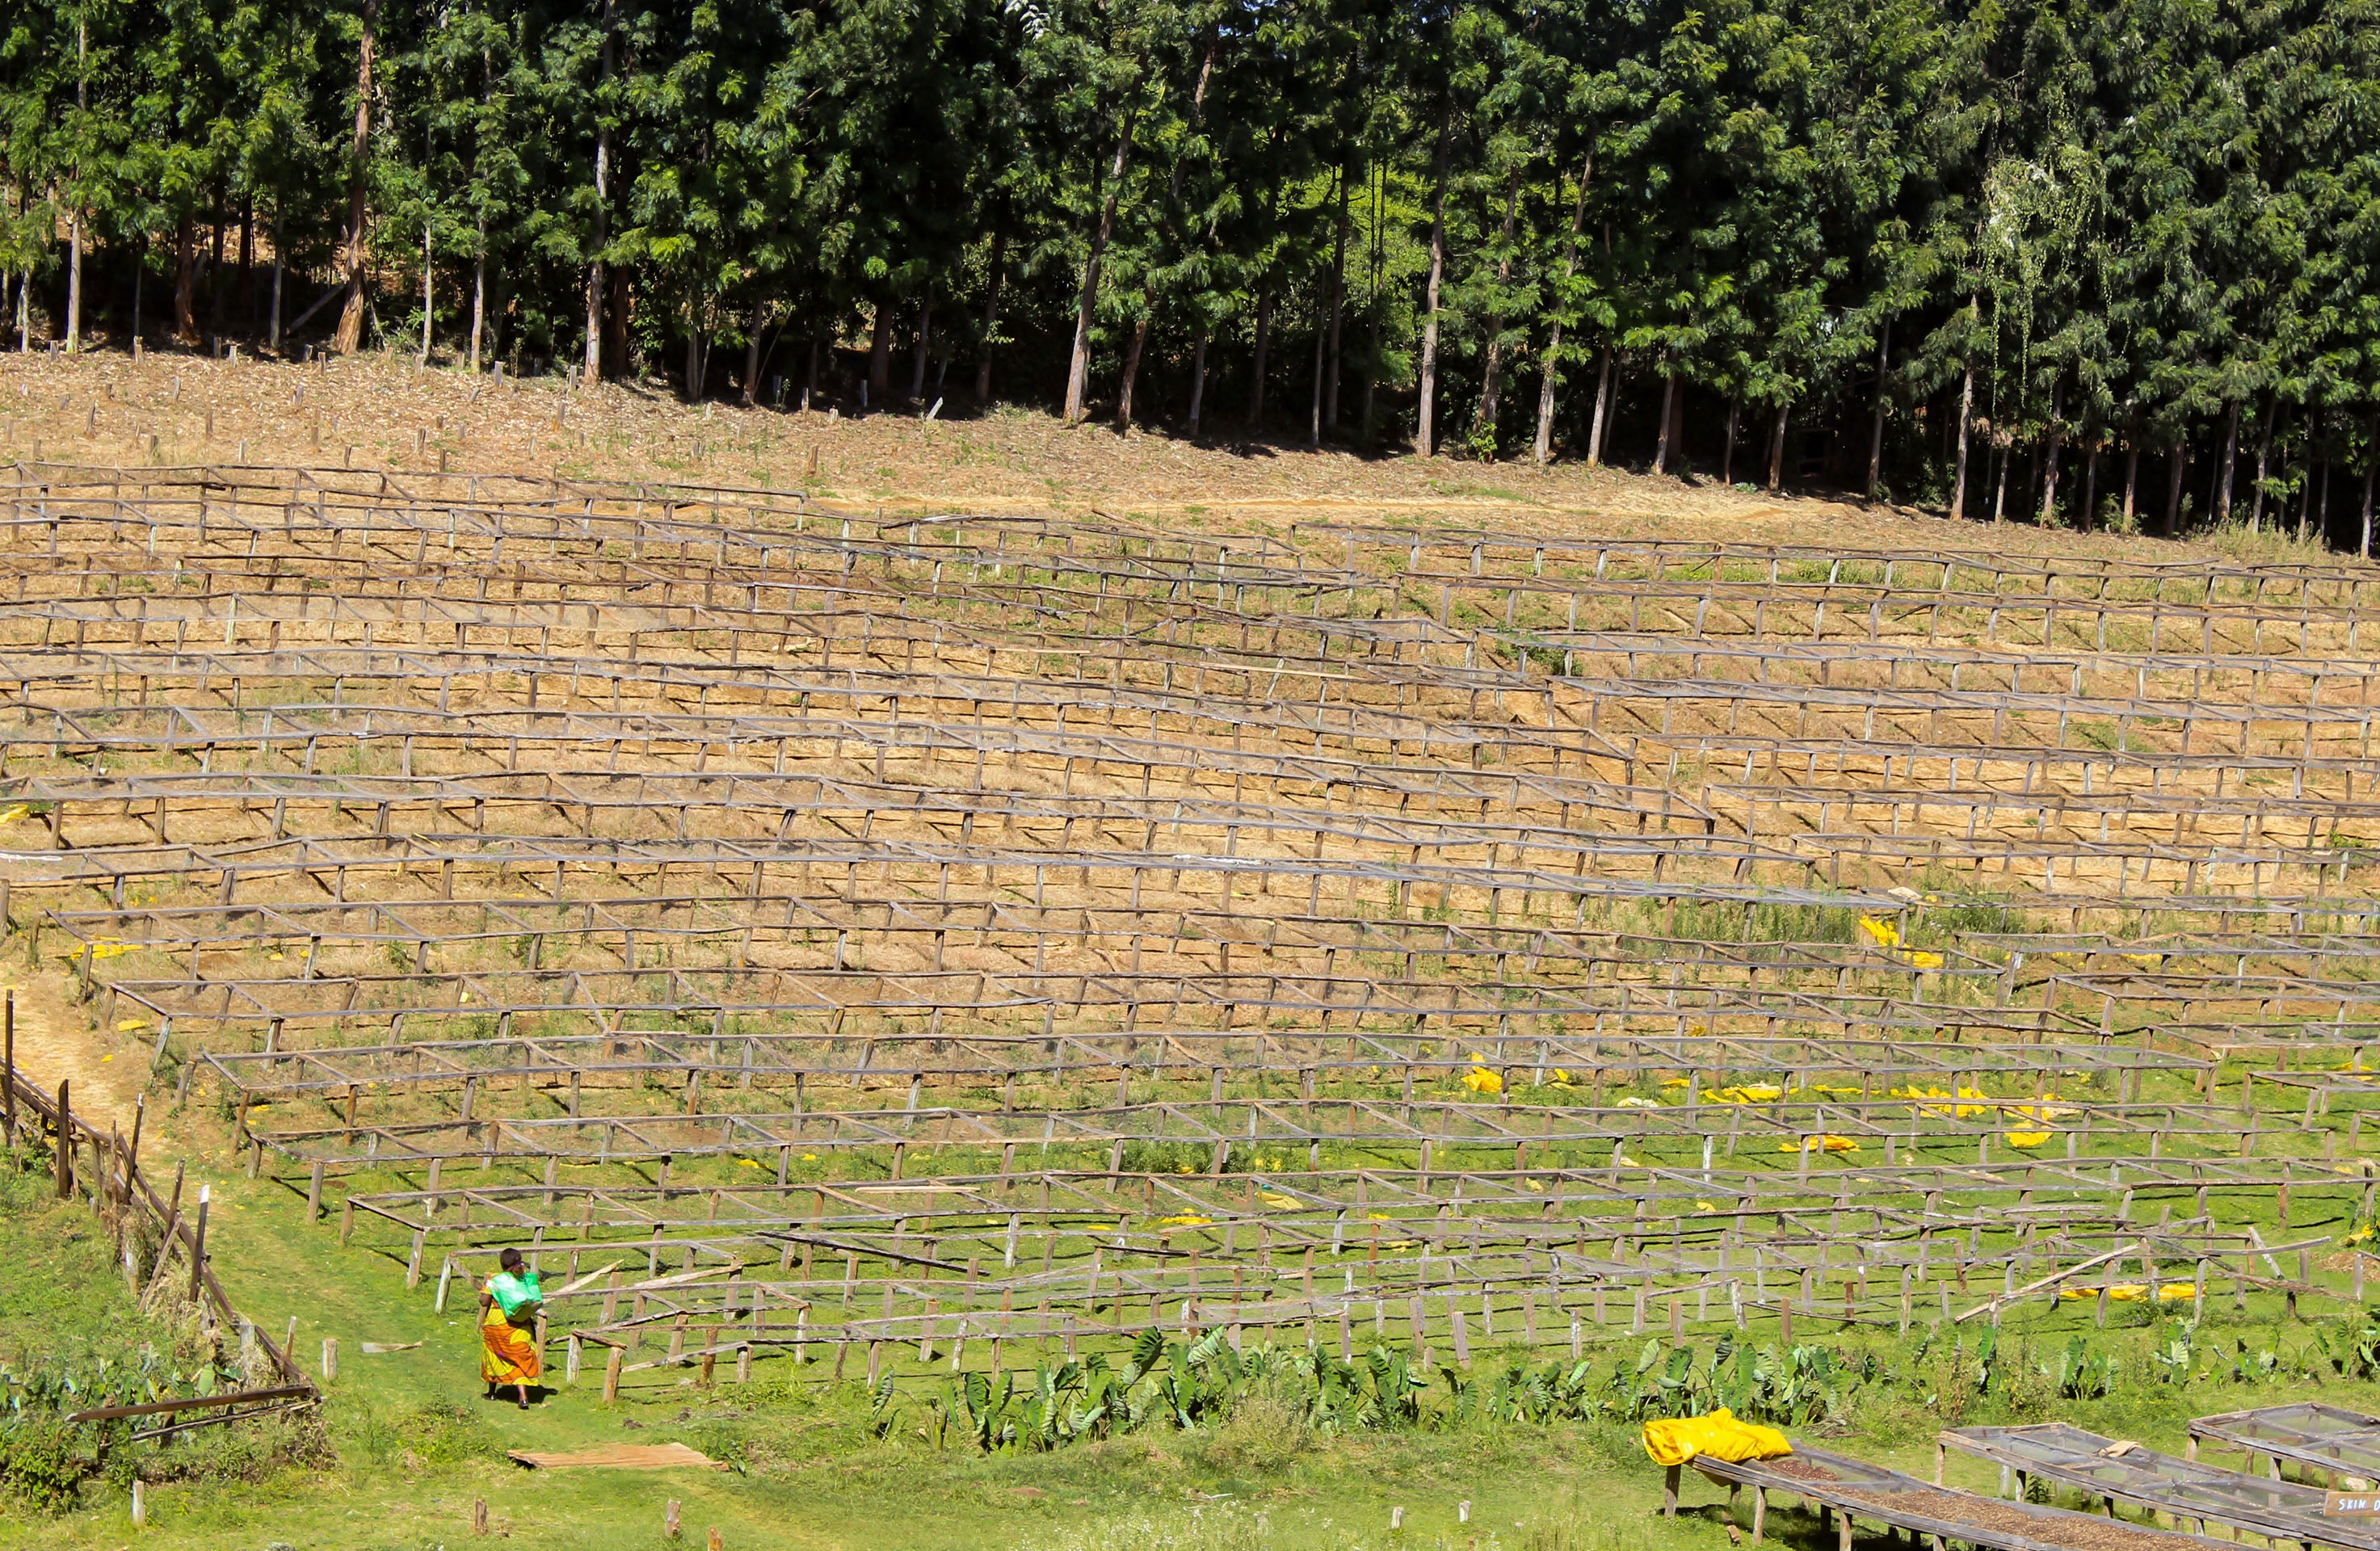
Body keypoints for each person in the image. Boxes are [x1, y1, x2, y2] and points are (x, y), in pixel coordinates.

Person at [478, 1247, 544, 1408]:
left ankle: (492, 1392)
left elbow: (484, 1302)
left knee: (494, 1355)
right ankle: (523, 1397)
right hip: (521, 1325)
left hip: (498, 1325)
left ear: (502, 1264)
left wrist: (487, 1288)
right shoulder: (526, 1279)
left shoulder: (495, 1280)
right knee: (519, 1357)